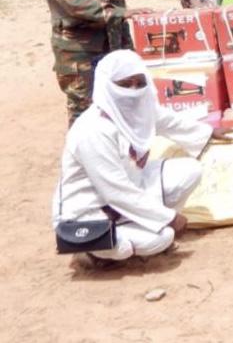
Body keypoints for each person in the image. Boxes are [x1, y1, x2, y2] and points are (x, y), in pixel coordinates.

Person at [52, 50, 223, 265]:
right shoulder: (93, 130)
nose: (133, 91)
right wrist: (168, 218)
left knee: (189, 171)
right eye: (125, 84)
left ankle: (141, 225)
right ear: (107, 85)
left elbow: (169, 121)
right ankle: (90, 252)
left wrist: (208, 133)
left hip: (129, 191)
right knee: (160, 238)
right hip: (90, 211)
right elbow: (115, 191)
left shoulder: (139, 110)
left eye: (139, 83)